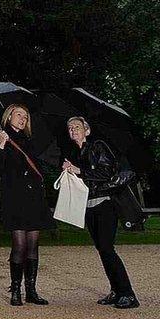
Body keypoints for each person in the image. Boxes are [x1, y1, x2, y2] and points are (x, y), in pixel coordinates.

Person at [64, 116, 140, 308]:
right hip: (89, 207)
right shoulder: (76, 153)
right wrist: (69, 171)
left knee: (107, 248)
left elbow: (107, 173)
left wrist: (78, 170)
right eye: (70, 128)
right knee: (102, 250)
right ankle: (116, 291)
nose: (73, 130)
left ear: (86, 130)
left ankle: (128, 294)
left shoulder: (97, 146)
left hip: (105, 204)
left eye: (77, 127)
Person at [0, 103, 58, 306]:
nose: (23, 119)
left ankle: (31, 290)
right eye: (19, 115)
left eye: (25, 116)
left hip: (34, 198)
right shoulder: (0, 136)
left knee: (33, 246)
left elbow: (39, 166)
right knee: (19, 245)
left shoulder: (30, 141)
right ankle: (16, 290)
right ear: (9, 116)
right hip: (14, 198)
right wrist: (1, 145)